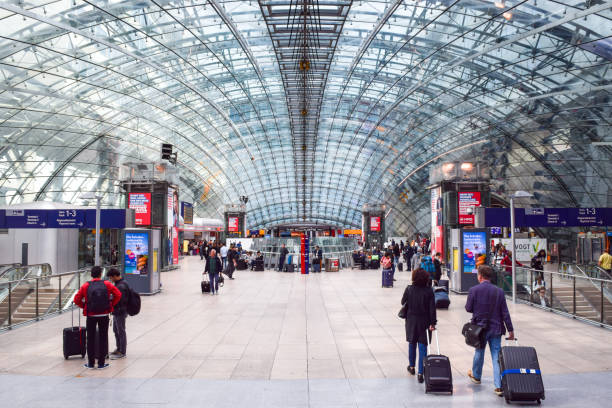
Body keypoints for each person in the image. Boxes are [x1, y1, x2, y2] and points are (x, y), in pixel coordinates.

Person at [465, 265, 514, 397]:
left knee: (479, 351)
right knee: (496, 356)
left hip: (480, 329)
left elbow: (468, 308)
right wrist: (510, 329)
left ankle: (476, 376)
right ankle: (498, 386)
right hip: (496, 328)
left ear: (480, 276)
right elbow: (505, 313)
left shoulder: (473, 290)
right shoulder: (499, 291)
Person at [74, 266, 122, 369]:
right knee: (103, 338)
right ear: (101, 274)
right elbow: (118, 294)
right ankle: (101, 363)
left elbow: (76, 299)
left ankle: (91, 363)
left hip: (90, 315)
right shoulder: (107, 284)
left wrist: (85, 306)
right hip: (104, 315)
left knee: (90, 339)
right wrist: (111, 305)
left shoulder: (86, 285)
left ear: (91, 275)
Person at [401, 268, 436, 383]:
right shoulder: (429, 291)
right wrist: (432, 323)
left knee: (412, 343)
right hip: (424, 322)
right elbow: (432, 309)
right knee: (423, 346)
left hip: (411, 320)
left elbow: (403, 302)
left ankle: (412, 367)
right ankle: (421, 373)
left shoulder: (409, 289)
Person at [107, 268, 129, 360]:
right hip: (117, 311)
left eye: (111, 278)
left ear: (115, 276)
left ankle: (122, 351)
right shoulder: (120, 283)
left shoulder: (121, 286)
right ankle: (118, 348)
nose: (110, 280)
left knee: (121, 331)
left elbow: (121, 300)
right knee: (116, 330)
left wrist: (110, 299)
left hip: (120, 311)